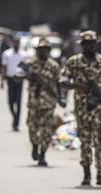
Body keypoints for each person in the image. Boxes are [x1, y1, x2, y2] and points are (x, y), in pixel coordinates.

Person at [61, 30, 101, 186]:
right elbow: (63, 80)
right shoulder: (74, 61)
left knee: (100, 139)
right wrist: (78, 86)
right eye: (86, 43)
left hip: (99, 107)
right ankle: (87, 172)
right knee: (85, 141)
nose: (89, 46)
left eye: (92, 43)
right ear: (82, 45)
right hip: (82, 108)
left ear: (96, 44)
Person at [25, 38, 60, 167]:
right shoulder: (30, 63)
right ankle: (35, 145)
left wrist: (61, 98)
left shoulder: (54, 65)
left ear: (49, 50)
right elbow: (18, 74)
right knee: (32, 127)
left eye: (45, 49)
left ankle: (42, 154)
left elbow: (59, 82)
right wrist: (29, 76)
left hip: (48, 103)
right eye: (40, 49)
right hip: (34, 102)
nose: (43, 51)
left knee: (47, 130)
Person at [1, 36, 28, 131]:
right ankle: (15, 116)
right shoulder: (7, 54)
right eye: (15, 42)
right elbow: (4, 67)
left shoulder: (24, 55)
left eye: (18, 43)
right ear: (12, 43)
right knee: (11, 101)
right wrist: (2, 80)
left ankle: (16, 123)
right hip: (10, 79)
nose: (16, 44)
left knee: (18, 101)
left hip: (20, 80)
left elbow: (26, 68)